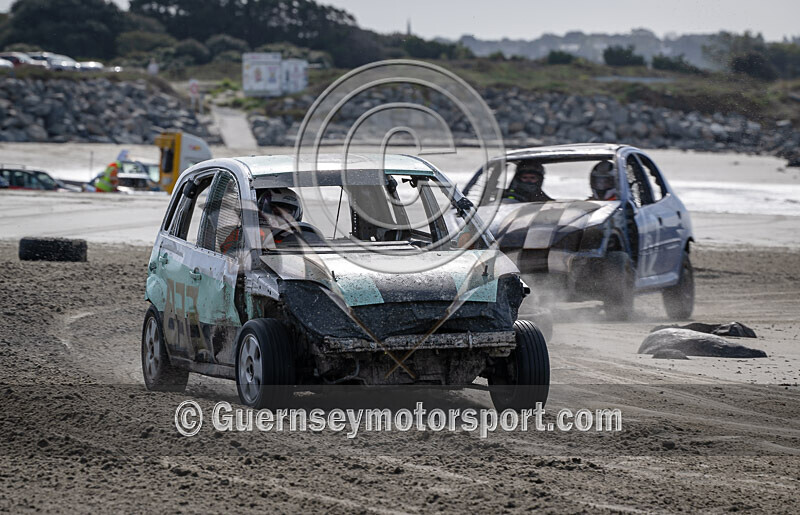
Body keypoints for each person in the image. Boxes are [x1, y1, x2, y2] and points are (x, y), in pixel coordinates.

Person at [220, 188, 304, 254]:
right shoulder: (244, 234)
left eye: (286, 214)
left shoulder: (300, 238)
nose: (278, 219)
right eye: (275, 212)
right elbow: (227, 256)